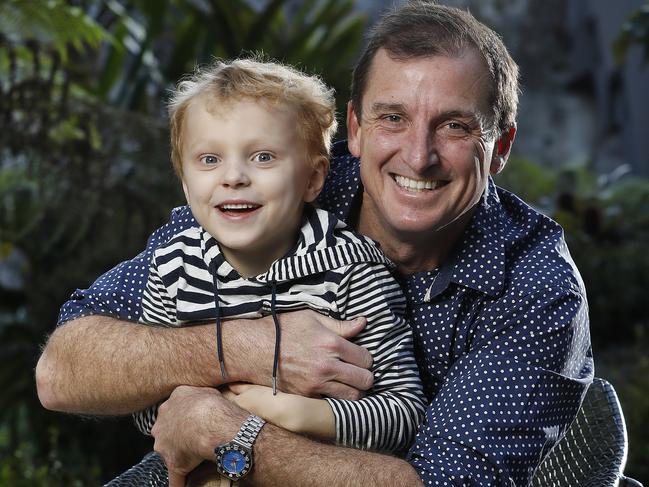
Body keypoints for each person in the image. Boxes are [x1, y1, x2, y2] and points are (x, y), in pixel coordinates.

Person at [35, 1, 593, 486]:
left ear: (500, 149)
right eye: (392, 117)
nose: (418, 155)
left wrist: (227, 432)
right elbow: (63, 370)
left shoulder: (536, 290)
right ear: (354, 127)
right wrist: (252, 347)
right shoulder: (268, 190)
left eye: (454, 127)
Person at [129, 58, 426, 463]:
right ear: (184, 181)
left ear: (312, 179)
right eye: (209, 160)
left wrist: (291, 413)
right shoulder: (173, 266)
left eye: (263, 157)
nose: (233, 177)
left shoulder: (351, 269)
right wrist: (200, 411)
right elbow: (147, 405)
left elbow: (404, 414)